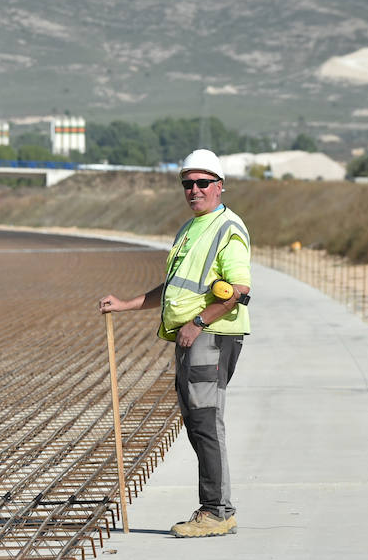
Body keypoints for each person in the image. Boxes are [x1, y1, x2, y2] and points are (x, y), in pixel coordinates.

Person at [98, 149, 252, 537]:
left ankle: (217, 511)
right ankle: (216, 508)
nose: (194, 190)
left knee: (205, 420)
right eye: (188, 184)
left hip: (211, 336)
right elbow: (173, 288)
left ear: (219, 186)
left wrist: (198, 323)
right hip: (194, 337)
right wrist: (127, 304)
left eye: (202, 183)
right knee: (197, 420)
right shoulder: (190, 229)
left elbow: (238, 289)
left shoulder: (227, 227)